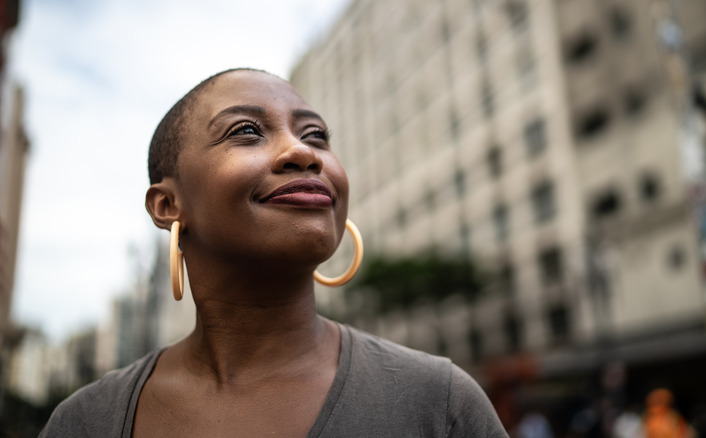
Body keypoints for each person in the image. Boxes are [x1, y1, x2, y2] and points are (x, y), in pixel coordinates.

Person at [40, 68, 508, 437]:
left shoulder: (439, 404)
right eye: (246, 131)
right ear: (167, 205)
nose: (304, 153)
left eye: (316, 136)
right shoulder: (84, 422)